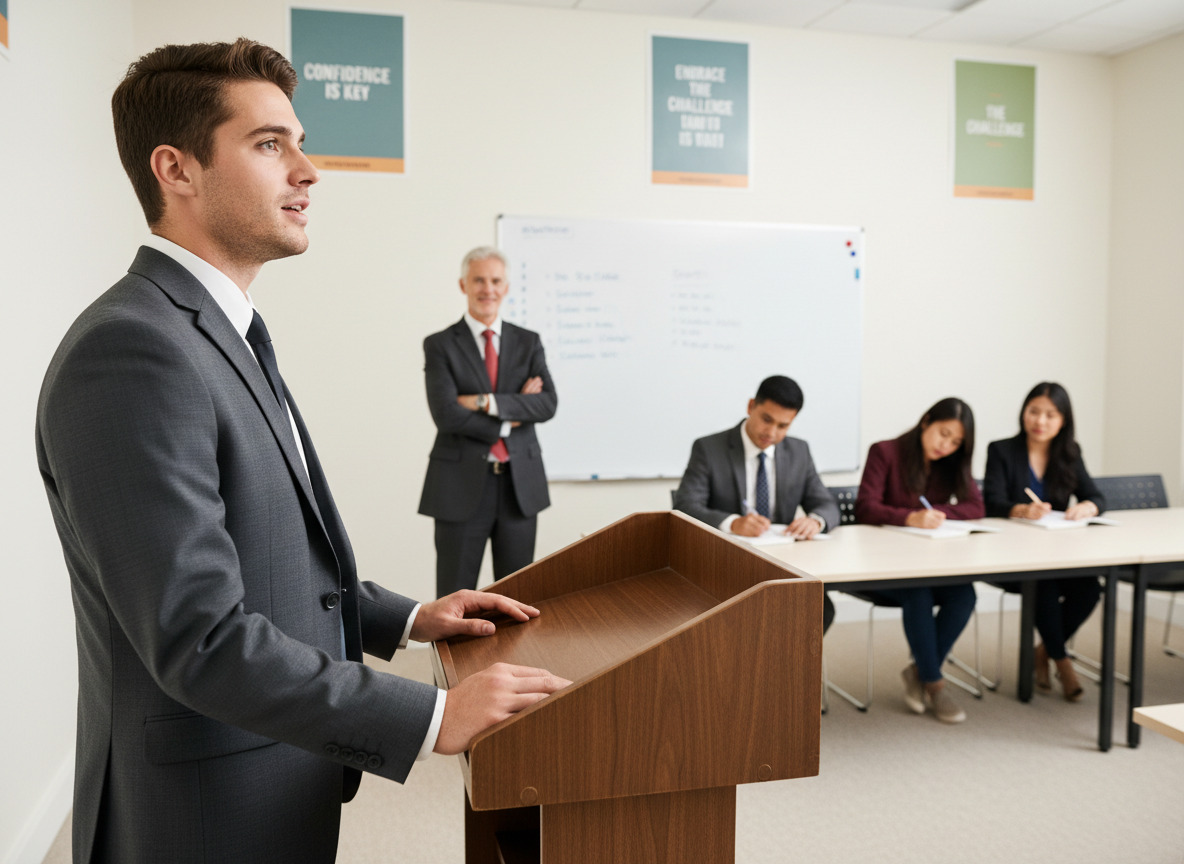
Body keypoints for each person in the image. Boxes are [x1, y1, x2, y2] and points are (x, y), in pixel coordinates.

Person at [35, 39, 569, 864]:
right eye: (269, 144)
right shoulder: (133, 352)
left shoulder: (219, 329)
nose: (308, 171)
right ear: (176, 170)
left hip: (270, 770)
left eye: (301, 143)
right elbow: (198, 637)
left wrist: (407, 619)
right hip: (204, 811)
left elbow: (264, 552)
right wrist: (430, 716)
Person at [419, 247, 557, 597]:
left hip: (519, 487)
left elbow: (546, 404)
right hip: (459, 486)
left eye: (495, 281)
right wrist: (512, 418)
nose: (488, 289)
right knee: (454, 596)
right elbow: (446, 414)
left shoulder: (528, 342)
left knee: (517, 596)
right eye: (479, 280)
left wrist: (485, 402)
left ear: (506, 287)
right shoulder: (440, 345)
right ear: (463, 285)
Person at [673, 375, 840, 631]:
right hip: (726, 564)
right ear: (751, 406)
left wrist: (815, 521)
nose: (771, 433)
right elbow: (685, 506)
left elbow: (826, 504)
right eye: (766, 419)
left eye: (783, 426)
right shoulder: (709, 448)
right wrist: (732, 523)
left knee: (819, 610)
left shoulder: (799, 452)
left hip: (783, 564)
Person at [854, 397, 984, 723]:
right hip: (883, 565)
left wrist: (940, 513)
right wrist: (910, 517)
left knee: (964, 594)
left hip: (929, 563)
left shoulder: (951, 462)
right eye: (943, 434)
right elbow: (865, 508)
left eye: (955, 442)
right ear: (926, 421)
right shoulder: (885, 452)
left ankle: (919, 671)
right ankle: (935, 684)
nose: (946, 446)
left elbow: (976, 507)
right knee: (918, 592)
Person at [983, 382, 1107, 701]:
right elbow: (991, 502)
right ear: (1023, 413)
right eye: (1034, 412)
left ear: (1063, 420)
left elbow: (1096, 496)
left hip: (1057, 552)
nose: (1040, 421)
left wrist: (1087, 507)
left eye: (1050, 415)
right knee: (1044, 585)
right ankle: (1063, 663)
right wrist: (1021, 510)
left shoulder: (1070, 453)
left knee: (1090, 589)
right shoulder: (1001, 450)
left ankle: (1044, 652)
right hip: (1012, 555)